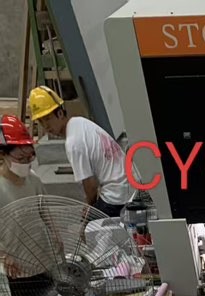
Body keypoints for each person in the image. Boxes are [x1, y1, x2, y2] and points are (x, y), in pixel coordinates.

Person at [0, 113, 60, 296]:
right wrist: (4, 257)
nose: (26, 163)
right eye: (21, 158)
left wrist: (57, 237)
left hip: (44, 259)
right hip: (19, 269)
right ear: (3, 155)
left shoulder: (33, 180)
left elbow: (45, 211)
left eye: (30, 157)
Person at [28, 86, 132, 217]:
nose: (46, 126)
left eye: (48, 118)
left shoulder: (73, 143)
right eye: (41, 122)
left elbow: (91, 186)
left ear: (60, 114)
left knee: (90, 226)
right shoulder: (80, 122)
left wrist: (88, 208)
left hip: (117, 195)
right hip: (128, 184)